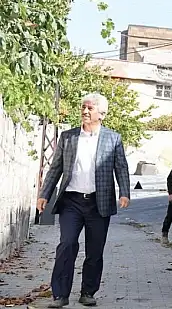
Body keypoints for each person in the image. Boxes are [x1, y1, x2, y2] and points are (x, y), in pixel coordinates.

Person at [36, 93, 131, 308]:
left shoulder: (113, 138)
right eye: (83, 107)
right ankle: (60, 294)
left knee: (95, 250)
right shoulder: (68, 137)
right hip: (71, 202)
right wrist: (44, 194)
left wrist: (124, 192)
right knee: (67, 244)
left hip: (99, 202)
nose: (85, 111)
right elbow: (56, 168)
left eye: (90, 108)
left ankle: (88, 291)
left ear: (102, 114)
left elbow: (121, 167)